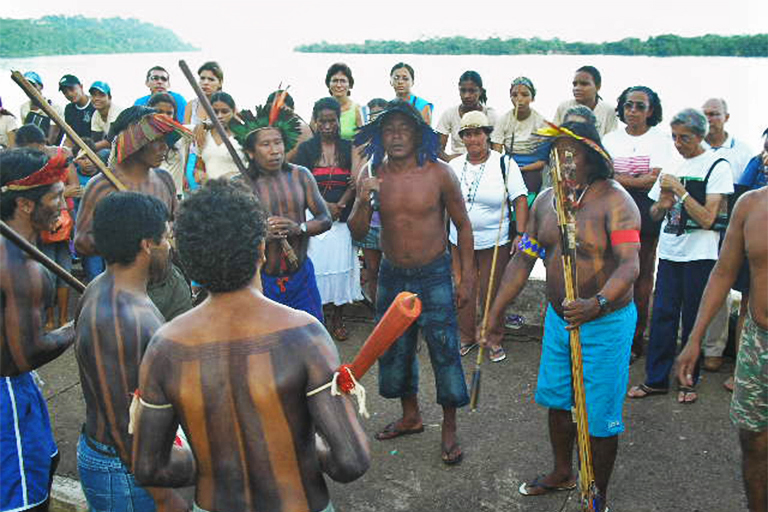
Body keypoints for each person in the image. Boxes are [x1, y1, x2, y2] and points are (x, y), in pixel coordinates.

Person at [132, 179, 370, 512]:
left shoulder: (165, 347)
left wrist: (217, 460)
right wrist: (296, 449)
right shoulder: (305, 335)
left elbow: (149, 466)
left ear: (189, 258)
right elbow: (350, 461)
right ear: (261, 249)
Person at [481, 121, 640, 511]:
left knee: (599, 415)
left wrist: (597, 303)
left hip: (605, 322)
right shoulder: (546, 201)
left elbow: (630, 267)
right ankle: (562, 472)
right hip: (559, 319)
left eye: (573, 152)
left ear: (593, 157)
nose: (564, 160)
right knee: (557, 400)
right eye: (558, 152)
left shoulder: (617, 202)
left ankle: (595, 493)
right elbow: (523, 259)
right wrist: (494, 314)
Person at [349, 100, 474, 465]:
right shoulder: (372, 174)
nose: (397, 136)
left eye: (405, 129)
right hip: (392, 274)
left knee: (445, 350)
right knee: (395, 351)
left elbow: (463, 225)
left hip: (434, 272)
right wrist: (362, 200)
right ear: (379, 136)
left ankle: (449, 427)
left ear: (418, 134)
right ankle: (411, 416)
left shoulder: (439, 173)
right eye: (389, 130)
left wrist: (466, 278)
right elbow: (358, 234)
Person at [74, 192, 190, 512]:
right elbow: (121, 425)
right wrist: (163, 497)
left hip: (123, 465)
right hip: (125, 471)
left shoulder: (102, 285)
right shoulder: (123, 317)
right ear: (146, 245)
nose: (169, 245)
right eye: (165, 237)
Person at [627, 108, 733, 403]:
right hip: (671, 253)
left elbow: (709, 219)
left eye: (684, 138)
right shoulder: (671, 164)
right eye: (674, 137)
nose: (677, 143)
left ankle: (688, 380)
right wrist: (662, 203)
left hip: (701, 255)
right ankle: (656, 379)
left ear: (699, 136)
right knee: (662, 316)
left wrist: (682, 192)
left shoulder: (717, 165)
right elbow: (653, 213)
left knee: (693, 319)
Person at [676, 185, 767, 512]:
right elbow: (723, 272)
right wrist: (695, 337)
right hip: (758, 343)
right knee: (753, 440)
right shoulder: (751, 204)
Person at [1, 148, 76, 512]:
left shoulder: (18, 253)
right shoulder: (18, 267)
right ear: (26, 205)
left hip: (17, 389)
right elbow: (25, 354)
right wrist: (77, 327)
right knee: (23, 499)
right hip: (7, 393)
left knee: (45, 461)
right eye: (56, 197)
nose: (63, 206)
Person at [75, 106, 194, 321]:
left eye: (166, 140)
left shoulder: (164, 179)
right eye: (156, 140)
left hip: (171, 282)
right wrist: (132, 242)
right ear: (134, 143)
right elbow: (82, 242)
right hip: (128, 291)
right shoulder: (102, 186)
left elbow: (178, 225)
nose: (164, 147)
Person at [231, 102, 332, 321]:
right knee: (269, 345)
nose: (275, 150)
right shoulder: (238, 186)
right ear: (250, 151)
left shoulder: (301, 176)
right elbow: (229, 238)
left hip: (301, 277)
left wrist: (300, 228)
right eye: (265, 144)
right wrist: (259, 236)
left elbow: (325, 219)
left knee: (311, 338)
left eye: (278, 142)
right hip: (260, 281)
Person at [449, 111, 528, 363]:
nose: (473, 139)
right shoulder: (453, 166)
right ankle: (466, 335)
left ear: (487, 135)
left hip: (496, 240)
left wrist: (521, 233)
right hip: (459, 241)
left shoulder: (505, 163)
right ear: (462, 138)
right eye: (467, 134)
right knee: (463, 286)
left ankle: (492, 337)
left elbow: (520, 200)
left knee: (492, 289)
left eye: (478, 133)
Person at [603, 86, 675, 360]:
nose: (633, 111)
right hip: (615, 213)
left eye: (640, 106)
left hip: (646, 213)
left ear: (651, 111)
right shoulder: (610, 139)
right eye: (628, 105)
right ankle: (613, 332)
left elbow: (654, 179)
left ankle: (635, 338)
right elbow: (605, 175)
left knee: (642, 273)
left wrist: (620, 176)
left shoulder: (660, 141)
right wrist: (637, 178)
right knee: (614, 270)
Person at [294, 97, 362, 340]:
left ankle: (338, 318)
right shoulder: (305, 150)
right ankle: (317, 318)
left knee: (340, 269)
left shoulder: (350, 147)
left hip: (342, 219)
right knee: (316, 269)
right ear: (314, 121)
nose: (327, 125)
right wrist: (324, 207)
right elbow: (300, 183)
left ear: (338, 121)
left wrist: (340, 204)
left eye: (332, 120)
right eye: (322, 121)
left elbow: (355, 182)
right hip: (315, 219)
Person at [699, 97, 754, 372]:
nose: (709, 119)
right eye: (705, 114)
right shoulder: (692, 148)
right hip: (698, 230)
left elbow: (747, 194)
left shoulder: (742, 152)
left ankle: (714, 349)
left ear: (727, 117)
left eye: (715, 114)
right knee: (700, 287)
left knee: (723, 288)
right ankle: (697, 346)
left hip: (729, 230)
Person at [14, 125, 80, 330]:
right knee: (48, 270)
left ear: (43, 143)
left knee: (65, 271)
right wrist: (58, 192)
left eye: (36, 148)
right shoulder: (24, 163)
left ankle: (62, 319)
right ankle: (50, 318)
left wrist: (53, 196)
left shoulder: (62, 154)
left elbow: (76, 188)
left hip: (64, 221)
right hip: (41, 225)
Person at [352, 98, 389, 306]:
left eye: (381, 115)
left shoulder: (398, 144)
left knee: (394, 273)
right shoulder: (365, 145)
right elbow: (359, 180)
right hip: (370, 222)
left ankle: (399, 319)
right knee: (373, 271)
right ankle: (379, 314)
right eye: (373, 115)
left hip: (392, 224)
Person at [437, 70, 497, 161]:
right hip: (456, 162)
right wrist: (451, 161)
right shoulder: (449, 114)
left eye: (472, 91)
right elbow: (438, 149)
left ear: (480, 91)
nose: (466, 95)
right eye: (463, 91)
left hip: (483, 163)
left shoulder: (490, 115)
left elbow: (495, 149)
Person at [193, 91, 245, 182]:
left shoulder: (243, 136)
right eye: (215, 112)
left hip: (239, 192)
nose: (219, 116)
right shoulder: (203, 135)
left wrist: (234, 177)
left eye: (225, 112)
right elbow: (199, 166)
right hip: (211, 192)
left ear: (233, 111)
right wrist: (199, 174)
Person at [553, 66, 617, 137]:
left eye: (584, 84)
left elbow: (611, 139)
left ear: (598, 86)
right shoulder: (564, 107)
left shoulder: (608, 110)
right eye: (575, 84)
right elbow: (554, 135)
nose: (577, 88)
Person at [147, 94, 188, 195]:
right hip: (150, 196)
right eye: (159, 112)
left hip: (175, 198)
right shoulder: (139, 137)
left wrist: (204, 124)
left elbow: (215, 123)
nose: (164, 116)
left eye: (169, 113)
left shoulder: (181, 134)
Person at [267, 90, 314, 163]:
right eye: (273, 110)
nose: (277, 114)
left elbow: (282, 162)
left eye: (281, 109)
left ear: (292, 109)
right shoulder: (280, 127)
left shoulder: (300, 127)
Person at [19, 72, 63, 145]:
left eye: (33, 85)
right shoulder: (24, 108)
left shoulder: (54, 108)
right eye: (25, 86)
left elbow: (52, 139)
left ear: (41, 86)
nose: (29, 89)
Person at [325, 63, 363, 141]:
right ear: (328, 84)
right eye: (335, 81)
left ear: (350, 85)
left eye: (343, 81)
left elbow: (363, 142)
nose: (339, 85)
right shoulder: (321, 108)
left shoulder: (357, 110)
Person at [59, 74, 95, 147]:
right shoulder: (69, 109)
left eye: (72, 89)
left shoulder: (95, 104)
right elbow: (69, 137)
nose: (69, 94)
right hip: (77, 147)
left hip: (94, 146)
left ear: (81, 87)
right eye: (65, 92)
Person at [183, 61, 223, 125]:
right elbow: (185, 131)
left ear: (220, 83)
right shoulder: (191, 105)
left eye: (211, 79)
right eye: (202, 78)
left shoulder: (227, 105)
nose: (205, 82)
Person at [89, 81, 122, 151]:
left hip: (129, 148)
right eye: (93, 95)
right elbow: (96, 139)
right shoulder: (96, 114)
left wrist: (88, 146)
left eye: (101, 95)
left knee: (103, 153)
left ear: (109, 97)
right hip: (116, 148)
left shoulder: (116, 112)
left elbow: (111, 141)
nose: (96, 98)